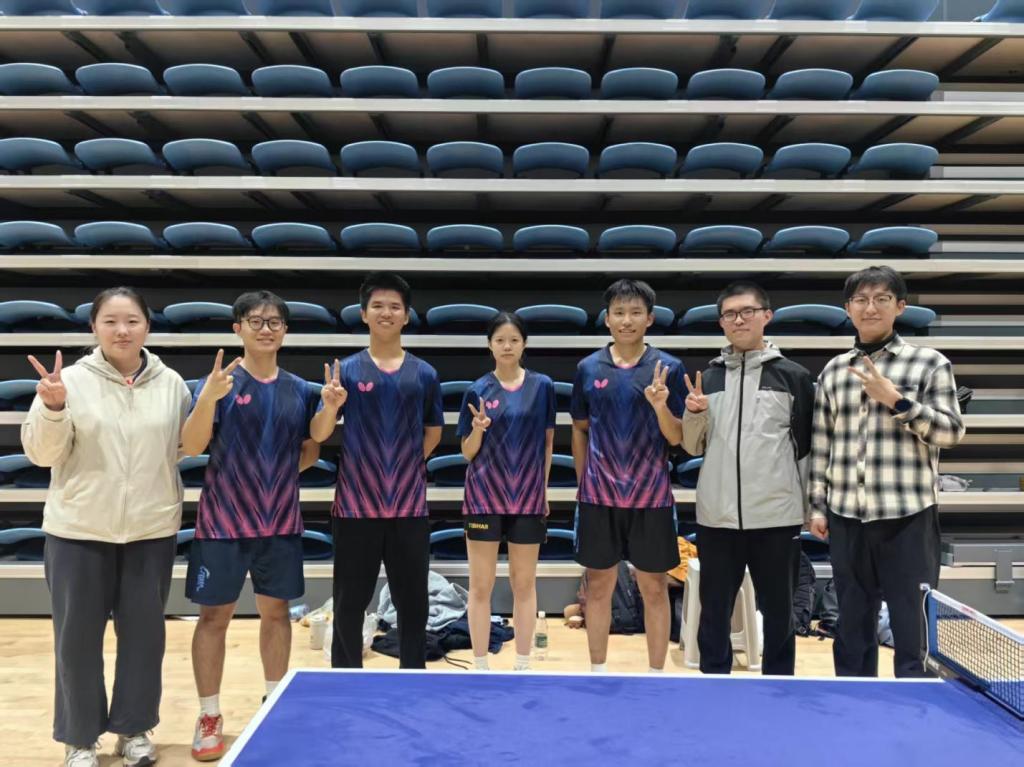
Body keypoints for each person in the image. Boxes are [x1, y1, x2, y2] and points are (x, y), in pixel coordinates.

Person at [21, 287, 191, 767]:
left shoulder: (172, 384)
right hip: (78, 531)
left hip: (150, 531)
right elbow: (42, 454)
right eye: (111, 321)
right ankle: (79, 738)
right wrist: (54, 408)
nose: (122, 330)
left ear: (147, 327)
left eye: (132, 321)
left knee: (144, 640)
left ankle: (134, 729)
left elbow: (182, 449)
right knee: (76, 642)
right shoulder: (68, 381)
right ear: (94, 327)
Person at [181, 291, 323, 762]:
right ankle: (209, 715)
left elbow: (310, 450)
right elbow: (192, 445)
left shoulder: (301, 390)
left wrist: (266, 475)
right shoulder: (216, 383)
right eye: (256, 321)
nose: (266, 328)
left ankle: (274, 703)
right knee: (213, 619)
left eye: (274, 321)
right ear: (237, 328)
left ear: (285, 330)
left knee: (277, 615)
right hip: (222, 523)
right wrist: (208, 399)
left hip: (278, 523)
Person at [808, 266, 965, 678]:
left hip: (908, 516)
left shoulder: (929, 364)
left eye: (881, 299)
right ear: (848, 309)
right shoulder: (834, 371)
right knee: (852, 626)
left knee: (912, 627)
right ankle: (856, 701)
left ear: (900, 306)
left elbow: (951, 432)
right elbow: (822, 444)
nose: (870, 308)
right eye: (860, 300)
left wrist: (897, 401)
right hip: (847, 516)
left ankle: (915, 700)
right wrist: (818, 507)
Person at [681, 281, 815, 675]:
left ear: (766, 316)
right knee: (713, 613)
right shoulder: (709, 378)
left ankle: (779, 686)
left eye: (747, 312)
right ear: (721, 322)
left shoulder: (794, 377)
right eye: (730, 314)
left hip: (777, 519)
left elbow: (806, 450)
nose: (738, 320)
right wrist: (694, 413)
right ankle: (714, 684)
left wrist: (809, 508)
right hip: (717, 518)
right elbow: (692, 445)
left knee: (779, 614)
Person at [312, 272, 443, 670]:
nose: (386, 313)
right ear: (364, 314)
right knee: (350, 603)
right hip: (355, 509)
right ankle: (346, 679)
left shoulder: (425, 373)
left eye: (395, 307)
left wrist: (402, 468)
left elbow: (433, 432)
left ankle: (412, 676)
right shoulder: (346, 372)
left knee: (413, 604)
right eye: (378, 306)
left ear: (407, 316)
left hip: (408, 508)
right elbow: (319, 433)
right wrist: (331, 406)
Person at [570, 279, 685, 673]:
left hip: (651, 498)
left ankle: (656, 674)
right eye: (619, 312)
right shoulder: (588, 368)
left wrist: (660, 406)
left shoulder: (668, 368)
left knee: (654, 587)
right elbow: (580, 428)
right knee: (599, 585)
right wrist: (585, 482)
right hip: (598, 499)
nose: (627, 320)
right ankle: (597, 671)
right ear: (607, 319)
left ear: (650, 319)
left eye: (636, 312)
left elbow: (677, 437)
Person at [458, 311, 555, 671]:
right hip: (484, 498)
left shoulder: (542, 386)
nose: (507, 346)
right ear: (490, 345)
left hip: (527, 499)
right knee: (480, 585)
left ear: (524, 344)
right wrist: (479, 429)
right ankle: (480, 664)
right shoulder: (477, 390)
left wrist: (543, 490)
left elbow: (547, 443)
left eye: (514, 340)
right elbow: (467, 453)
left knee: (524, 583)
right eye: (500, 340)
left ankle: (523, 663)